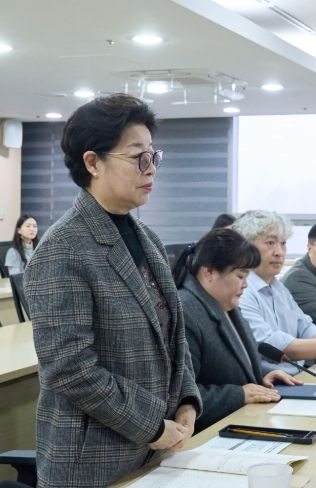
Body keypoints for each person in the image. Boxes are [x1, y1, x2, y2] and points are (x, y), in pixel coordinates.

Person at [24, 93, 201, 487]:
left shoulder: (148, 239)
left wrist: (187, 402)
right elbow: (70, 370)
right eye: (138, 157)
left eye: (154, 156)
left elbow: (173, 338)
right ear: (93, 162)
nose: (150, 169)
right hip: (93, 462)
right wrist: (153, 425)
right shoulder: (63, 249)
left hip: (159, 450)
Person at [173, 228, 301, 433]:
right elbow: (182, 394)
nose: (245, 284)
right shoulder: (186, 312)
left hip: (243, 420)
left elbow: (236, 362)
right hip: (207, 434)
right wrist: (239, 394)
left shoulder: (226, 304)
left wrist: (262, 373)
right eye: (241, 276)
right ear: (209, 272)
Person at [233, 210, 316, 375]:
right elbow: (268, 342)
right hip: (270, 382)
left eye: (283, 243)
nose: (279, 252)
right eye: (270, 243)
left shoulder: (278, 287)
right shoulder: (241, 291)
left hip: (299, 375)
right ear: (246, 247)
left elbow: (304, 324)